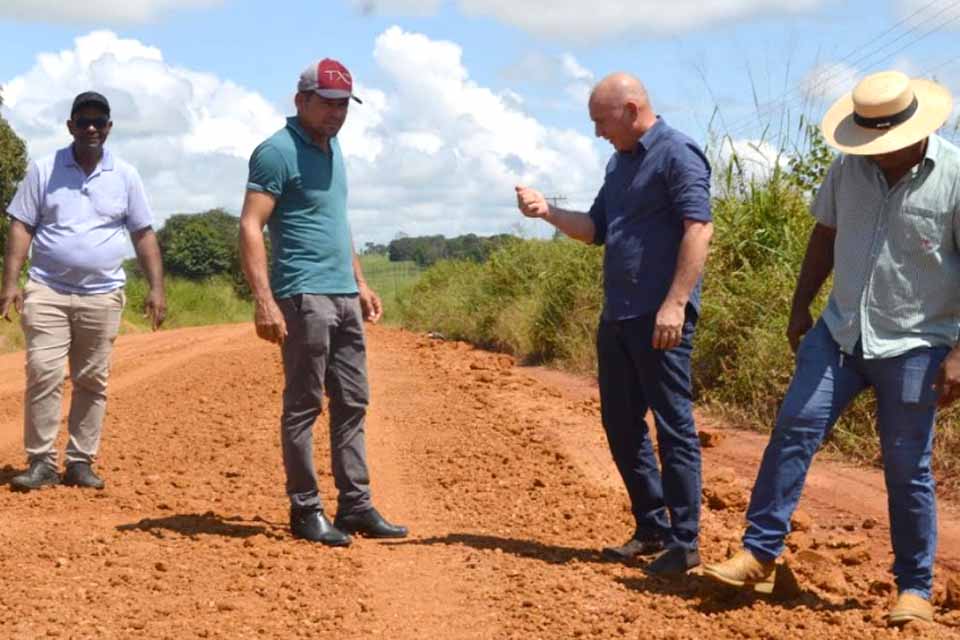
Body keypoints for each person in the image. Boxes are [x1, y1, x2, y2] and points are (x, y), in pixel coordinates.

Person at [703, 70, 960, 627]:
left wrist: (959, 355)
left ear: (917, 130)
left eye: (886, 143)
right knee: (794, 429)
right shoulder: (848, 167)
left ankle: (914, 589)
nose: (877, 153)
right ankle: (760, 553)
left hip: (917, 342)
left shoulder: (955, 177)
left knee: (906, 466)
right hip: (839, 332)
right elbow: (824, 235)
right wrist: (801, 306)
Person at [516, 72, 713, 575]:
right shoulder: (618, 163)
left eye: (601, 121)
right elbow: (595, 230)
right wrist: (547, 212)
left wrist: (675, 303)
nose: (597, 132)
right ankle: (652, 527)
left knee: (673, 426)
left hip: (659, 316)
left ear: (630, 110)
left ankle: (685, 541)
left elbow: (698, 228)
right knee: (621, 425)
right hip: (620, 315)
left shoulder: (677, 153)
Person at [239, 58, 407, 547]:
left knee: (353, 401)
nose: (337, 113)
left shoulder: (334, 149)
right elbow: (250, 224)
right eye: (328, 103)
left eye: (343, 105)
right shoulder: (276, 152)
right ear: (301, 101)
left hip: (343, 295)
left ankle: (355, 505)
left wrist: (361, 281)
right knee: (304, 405)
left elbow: (336, 221)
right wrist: (264, 300)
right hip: (303, 295)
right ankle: (305, 508)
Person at [1, 91, 166, 491]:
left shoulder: (125, 175)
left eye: (99, 122)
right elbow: (22, 225)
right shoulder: (44, 170)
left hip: (102, 294)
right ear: (70, 126)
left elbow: (142, 232)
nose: (91, 128)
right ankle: (41, 462)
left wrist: (156, 287)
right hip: (48, 289)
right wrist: (10, 283)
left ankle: (80, 461)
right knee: (44, 373)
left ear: (108, 128)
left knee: (92, 379)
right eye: (83, 121)